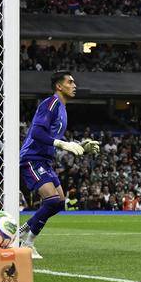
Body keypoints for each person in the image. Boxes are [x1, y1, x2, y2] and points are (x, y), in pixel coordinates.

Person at [18, 71, 100, 258]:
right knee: (52, 200)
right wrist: (62, 144)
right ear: (59, 86)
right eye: (70, 82)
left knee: (59, 203)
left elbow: (52, 137)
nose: (74, 85)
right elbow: (37, 133)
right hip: (32, 158)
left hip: (45, 160)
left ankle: (25, 231)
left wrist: (80, 147)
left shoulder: (62, 108)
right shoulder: (50, 103)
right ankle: (27, 243)